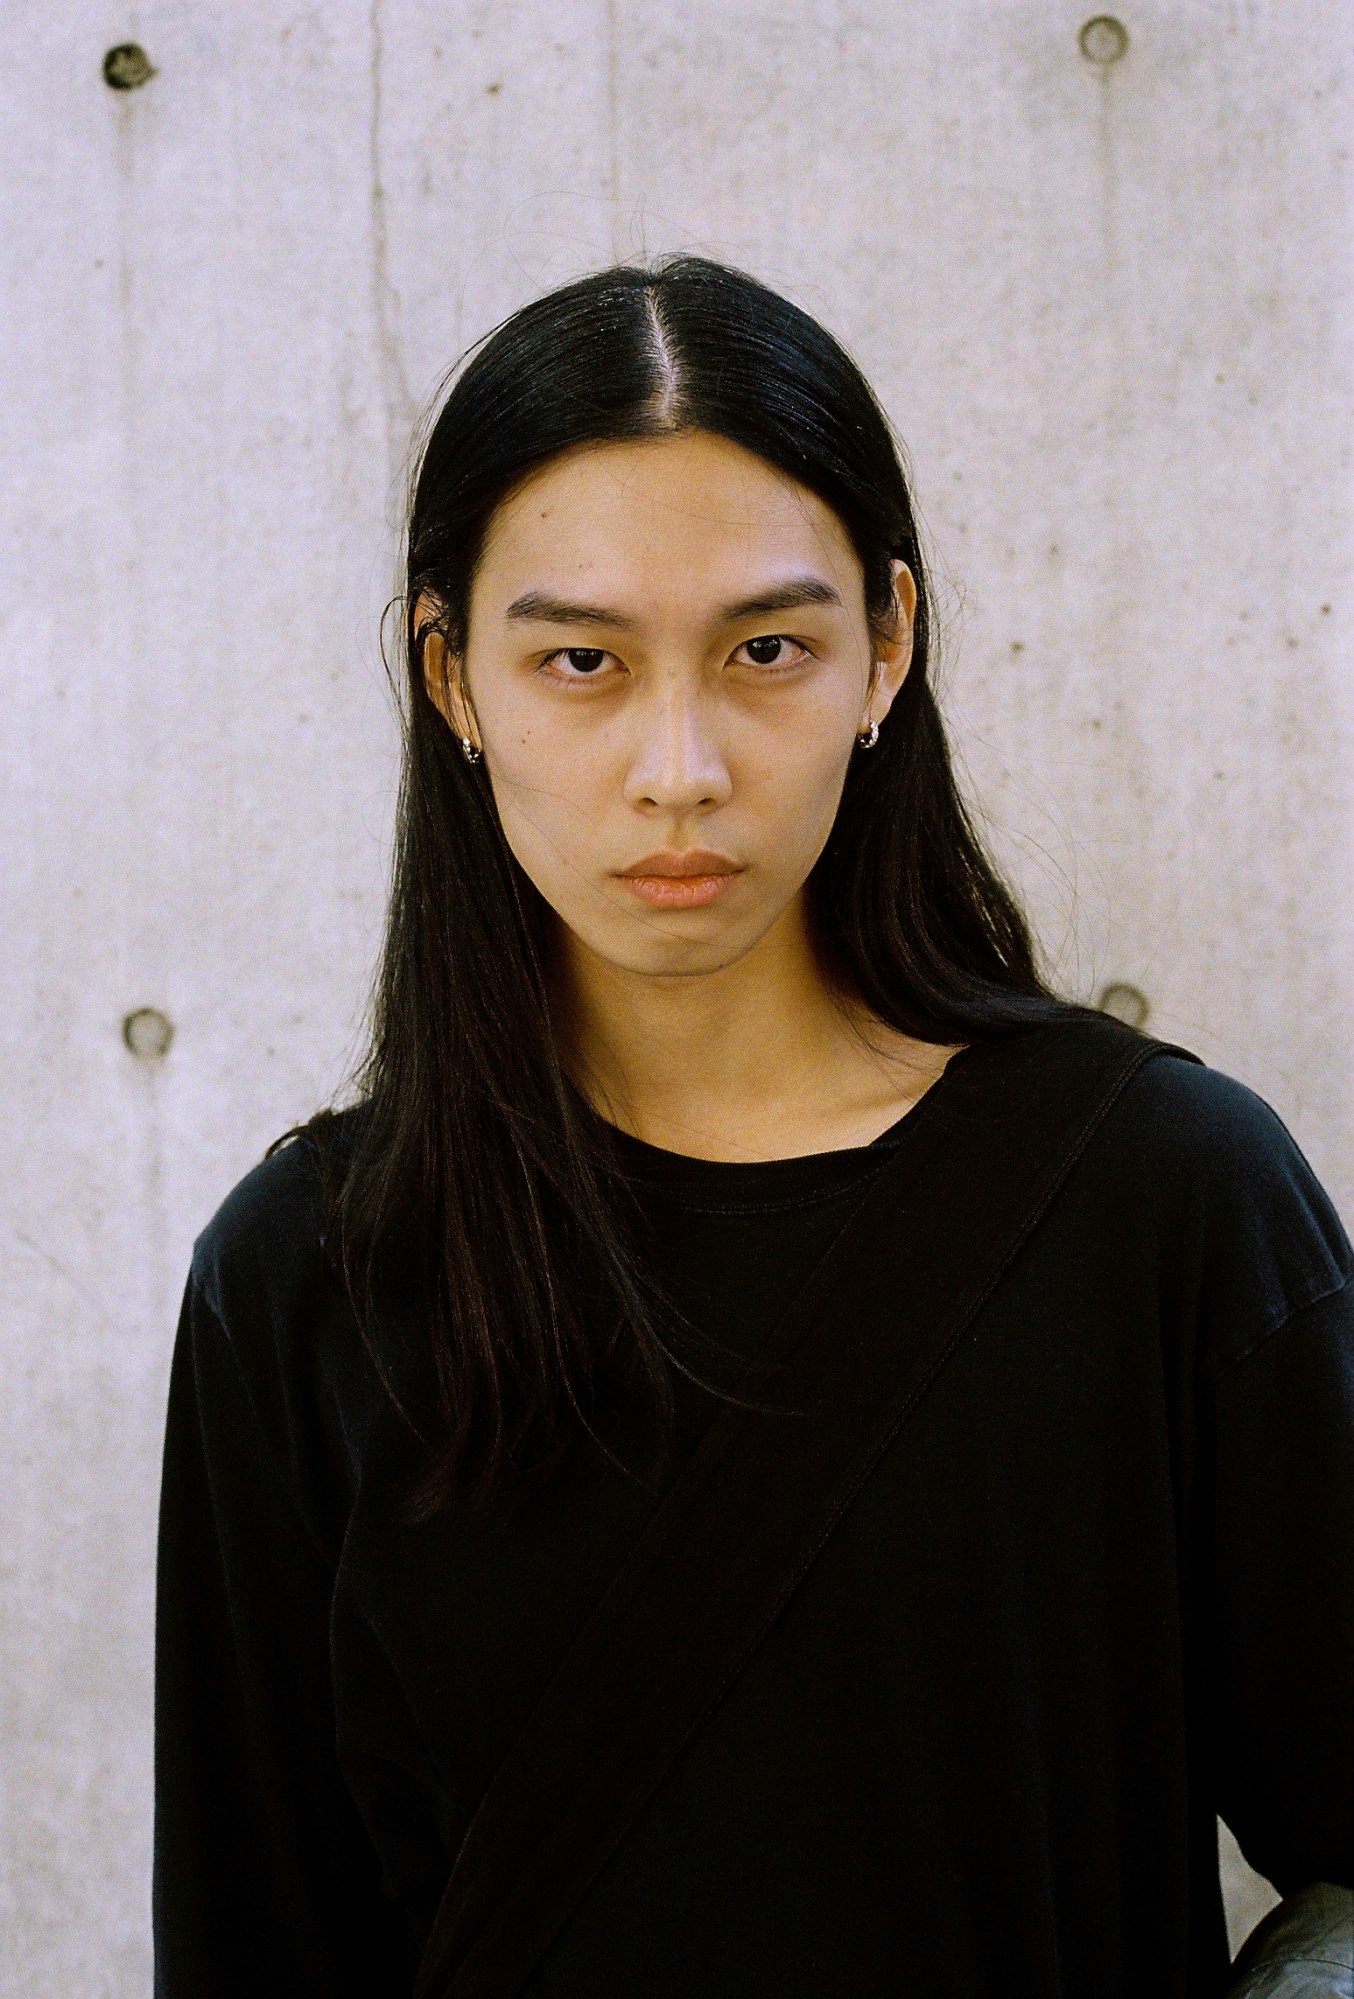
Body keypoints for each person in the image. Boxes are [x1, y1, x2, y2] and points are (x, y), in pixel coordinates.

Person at [153, 257, 1353, 1998]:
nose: (679, 765)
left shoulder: (1162, 1203)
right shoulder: (314, 1275)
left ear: (889, 647)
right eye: (579, 659)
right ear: (451, 677)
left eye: (766, 649)